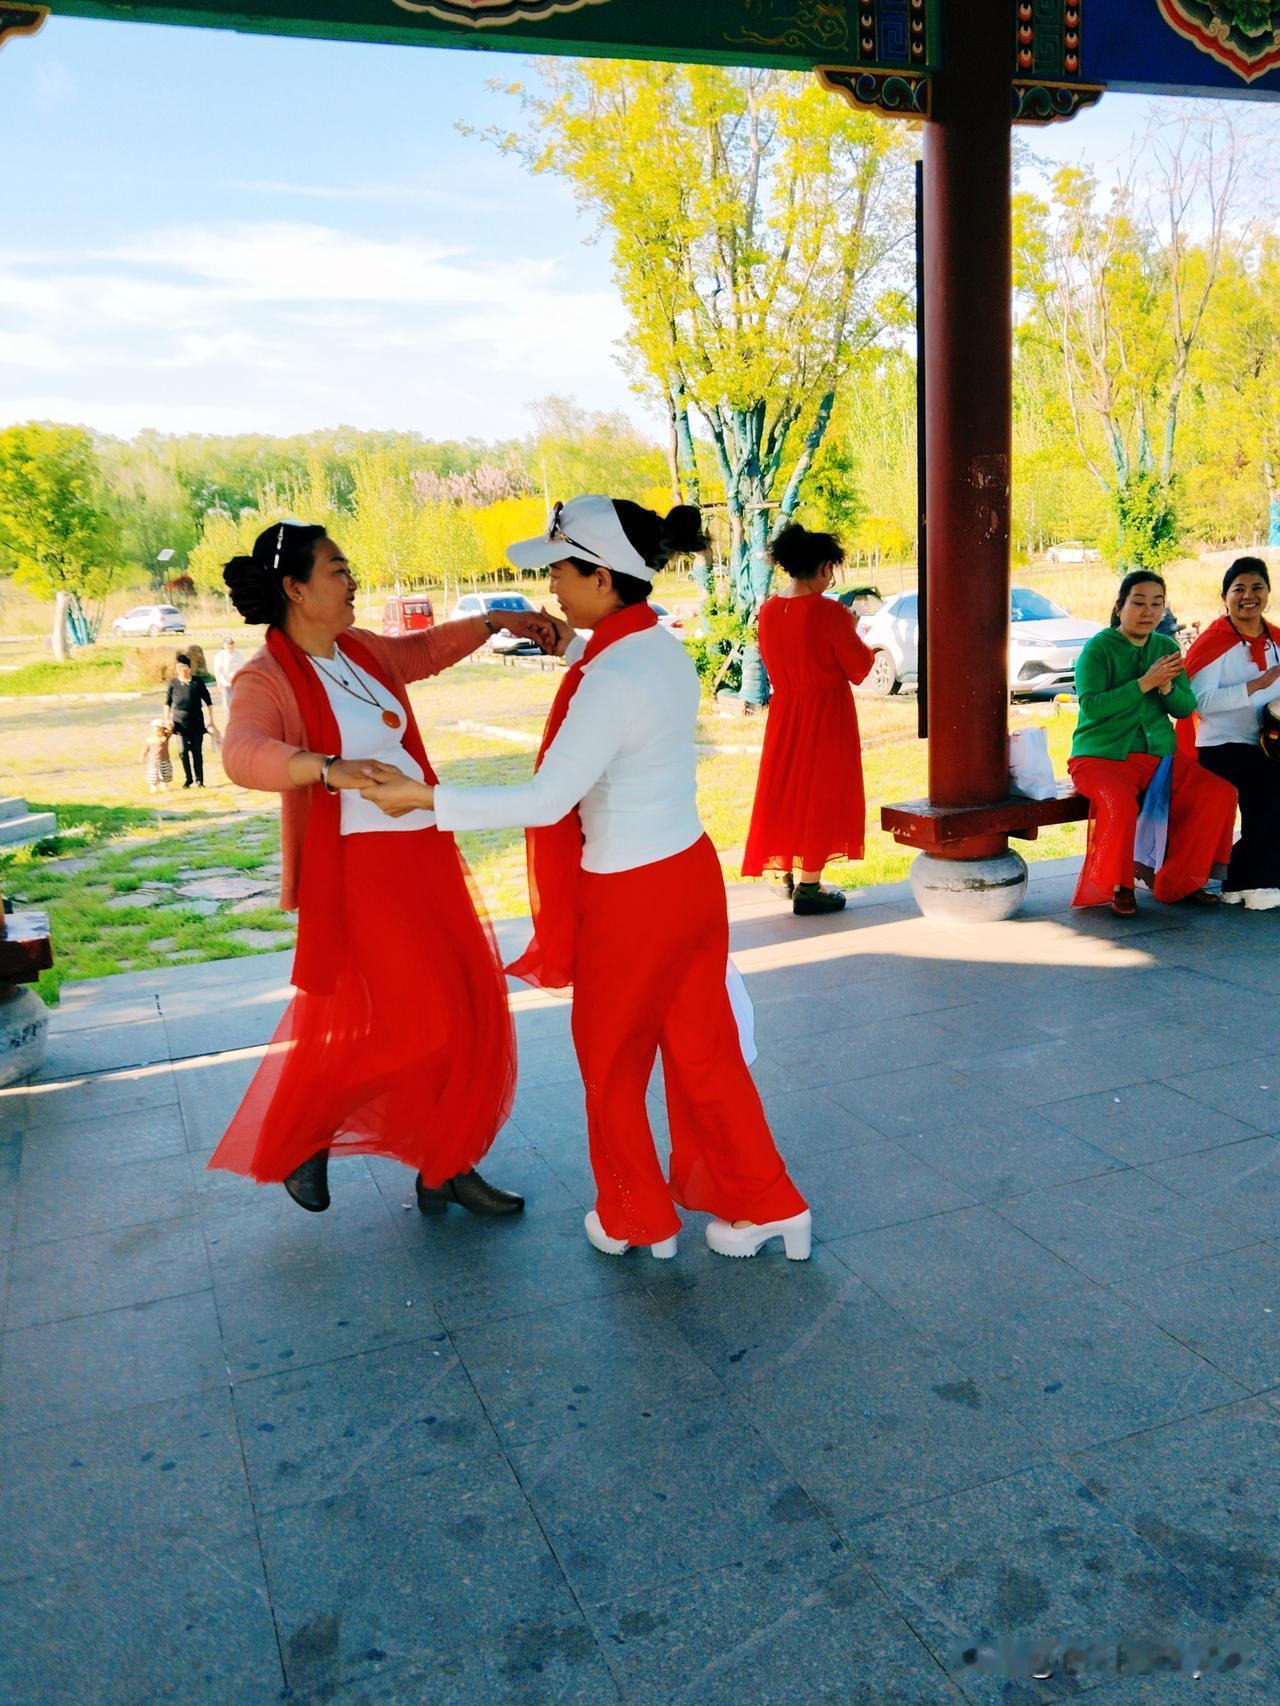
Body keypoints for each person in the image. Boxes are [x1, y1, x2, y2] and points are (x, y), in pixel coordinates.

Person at [359, 495, 811, 1263]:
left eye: (563, 572)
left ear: (604, 577)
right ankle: (770, 1205)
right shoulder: (656, 647)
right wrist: (572, 647)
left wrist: (426, 799)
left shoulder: (610, 676)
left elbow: (546, 799)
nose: (553, 589)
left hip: (631, 895)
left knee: (611, 1062)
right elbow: (621, 689)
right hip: (687, 877)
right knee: (705, 1052)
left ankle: (638, 1220)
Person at [207, 519, 553, 1218]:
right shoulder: (266, 675)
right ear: (296, 590)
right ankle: (312, 1130)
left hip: (424, 854)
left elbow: (423, 650)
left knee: (467, 1010)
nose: (352, 580)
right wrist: (325, 770)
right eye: (337, 570)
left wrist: (495, 620)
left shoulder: (359, 649)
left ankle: (446, 1166)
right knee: (427, 1027)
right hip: (362, 874)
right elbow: (242, 753)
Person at [1067, 570, 1236, 917]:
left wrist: (1166, 688)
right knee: (1120, 804)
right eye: (1139, 602)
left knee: (1218, 793)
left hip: (1159, 758)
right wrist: (1144, 683)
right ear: (1119, 607)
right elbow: (1092, 706)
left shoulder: (1167, 647)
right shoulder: (1097, 649)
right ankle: (1121, 884)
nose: (1148, 611)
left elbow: (1186, 707)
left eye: (1156, 604)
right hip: (1101, 758)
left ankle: (1181, 880)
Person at [741, 523, 873, 915]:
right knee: (821, 792)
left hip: (786, 711)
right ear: (821, 568)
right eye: (830, 569)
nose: (830, 577)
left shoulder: (767, 611)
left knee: (786, 788)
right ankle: (810, 886)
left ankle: (782, 873)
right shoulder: (829, 612)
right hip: (826, 713)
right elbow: (860, 668)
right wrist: (852, 628)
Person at [1182, 556, 1280, 910]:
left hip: (1267, 743)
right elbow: (1200, 702)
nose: (1248, 596)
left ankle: (1253, 874)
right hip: (1220, 744)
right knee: (1270, 789)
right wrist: (1257, 684)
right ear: (1225, 596)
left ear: (1268, 592)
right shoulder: (1214, 642)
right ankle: (1247, 877)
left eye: (1257, 587)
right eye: (1239, 589)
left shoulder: (1275, 639)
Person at [165, 653, 213, 788]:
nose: (182, 670)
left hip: (196, 722)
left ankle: (200, 780)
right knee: (183, 751)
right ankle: (188, 779)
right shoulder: (173, 683)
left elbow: (208, 701)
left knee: (197, 752)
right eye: (179, 668)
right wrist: (167, 720)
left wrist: (211, 720)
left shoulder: (197, 682)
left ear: (189, 668)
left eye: (185, 667)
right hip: (179, 724)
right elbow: (167, 703)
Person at [213, 635, 244, 713]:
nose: (230, 646)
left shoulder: (238, 654)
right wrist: (218, 682)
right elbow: (218, 670)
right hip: (225, 683)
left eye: (231, 644)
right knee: (228, 704)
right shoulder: (220, 655)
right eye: (228, 644)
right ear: (224, 645)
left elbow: (242, 667)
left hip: (237, 683)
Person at [141, 717, 173, 793]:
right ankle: (153, 787)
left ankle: (164, 785)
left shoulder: (164, 738)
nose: (157, 731)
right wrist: (143, 755)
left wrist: (168, 726)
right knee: (153, 775)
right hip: (153, 761)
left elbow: (171, 730)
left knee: (166, 774)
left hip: (164, 760)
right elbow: (146, 749)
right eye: (155, 729)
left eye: (159, 729)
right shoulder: (149, 739)